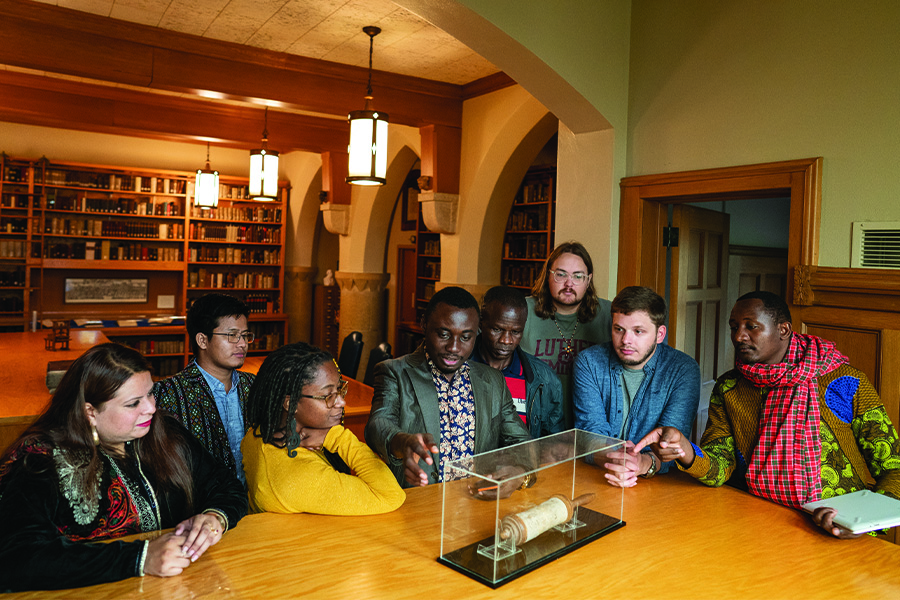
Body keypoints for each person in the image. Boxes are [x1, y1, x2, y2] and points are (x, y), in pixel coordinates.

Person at [635, 291, 900, 539]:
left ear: (783, 330)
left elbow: (894, 468)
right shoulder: (730, 388)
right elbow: (720, 468)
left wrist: (861, 523)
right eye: (734, 326)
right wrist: (685, 450)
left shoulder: (844, 382)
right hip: (759, 522)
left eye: (751, 326)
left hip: (837, 531)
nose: (738, 336)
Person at [0, 343, 247, 592]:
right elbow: (17, 557)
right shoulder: (39, 459)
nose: (151, 408)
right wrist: (140, 557)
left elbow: (225, 485)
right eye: (133, 403)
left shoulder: (165, 432)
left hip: (178, 587)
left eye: (150, 394)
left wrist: (214, 517)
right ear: (90, 412)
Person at [365, 286, 532, 492]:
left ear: (476, 333)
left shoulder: (493, 381)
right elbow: (378, 424)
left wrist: (519, 471)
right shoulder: (395, 373)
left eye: (465, 337)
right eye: (444, 334)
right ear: (424, 324)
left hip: (476, 505)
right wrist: (401, 441)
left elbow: (523, 443)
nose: (453, 347)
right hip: (416, 507)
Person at [241, 342, 405, 515]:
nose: (342, 402)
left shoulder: (258, 433)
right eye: (328, 396)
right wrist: (337, 437)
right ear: (290, 403)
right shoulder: (300, 476)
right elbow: (390, 495)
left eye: (340, 390)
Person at [573, 286, 700, 487]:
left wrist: (641, 464)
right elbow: (590, 432)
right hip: (597, 477)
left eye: (638, 331)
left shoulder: (683, 370)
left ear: (660, 334)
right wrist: (620, 461)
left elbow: (670, 441)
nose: (625, 341)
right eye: (618, 329)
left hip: (659, 486)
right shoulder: (589, 362)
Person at [155, 293, 255, 484]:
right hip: (202, 509)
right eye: (232, 335)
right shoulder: (170, 394)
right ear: (202, 340)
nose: (242, 344)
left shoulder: (254, 386)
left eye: (245, 335)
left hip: (254, 506)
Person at [520, 241, 612, 428]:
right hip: (534, 429)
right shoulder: (522, 311)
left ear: (588, 280)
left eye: (578, 276)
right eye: (561, 274)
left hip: (592, 428)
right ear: (548, 276)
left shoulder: (610, 315)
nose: (569, 284)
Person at [471, 285, 564, 438]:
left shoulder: (545, 380)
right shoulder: (459, 367)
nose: (506, 340)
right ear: (481, 322)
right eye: (497, 329)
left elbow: (554, 443)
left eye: (515, 332)